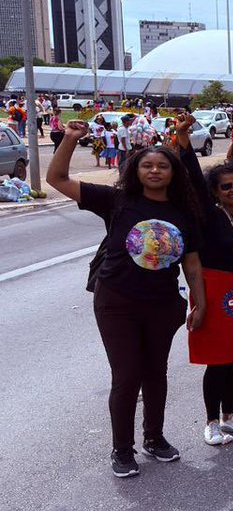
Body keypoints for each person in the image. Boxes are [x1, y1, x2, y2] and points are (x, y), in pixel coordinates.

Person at [47, 120, 206, 478]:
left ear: (173, 173)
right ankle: (122, 450)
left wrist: (201, 303)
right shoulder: (116, 200)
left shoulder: (184, 212)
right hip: (116, 300)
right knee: (127, 375)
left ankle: (155, 438)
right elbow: (56, 180)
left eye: (162, 165)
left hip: (164, 303)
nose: (154, 170)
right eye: (147, 165)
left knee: (156, 373)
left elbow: (193, 265)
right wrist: (71, 139)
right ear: (135, 170)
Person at [175, 114, 233, 446]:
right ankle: (211, 422)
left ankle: (231, 417)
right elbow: (192, 179)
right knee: (216, 359)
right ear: (215, 190)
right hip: (212, 290)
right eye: (226, 186)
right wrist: (183, 140)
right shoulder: (208, 215)